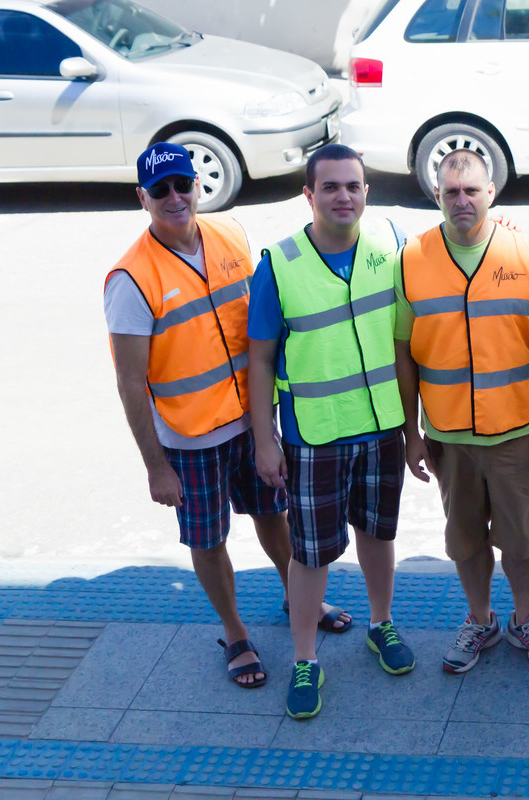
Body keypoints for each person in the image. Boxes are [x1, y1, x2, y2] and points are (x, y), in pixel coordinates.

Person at [104, 143, 349, 692]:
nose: (175, 198)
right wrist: (155, 467)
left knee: (274, 515)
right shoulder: (131, 278)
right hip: (190, 439)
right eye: (160, 190)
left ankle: (297, 599)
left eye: (182, 185)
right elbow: (128, 382)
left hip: (252, 424)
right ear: (142, 198)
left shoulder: (231, 235)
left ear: (197, 186)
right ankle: (236, 632)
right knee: (208, 540)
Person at [248, 144, 415, 721]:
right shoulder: (280, 262)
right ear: (309, 195)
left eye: (354, 186)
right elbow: (261, 359)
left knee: (377, 533)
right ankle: (304, 659)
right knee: (310, 553)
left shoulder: (389, 245)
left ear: (367, 191)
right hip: (313, 436)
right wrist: (264, 439)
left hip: (381, 427)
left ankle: (380, 624)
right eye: (331, 187)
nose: (344, 196)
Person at [395, 149, 529, 673]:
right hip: (449, 435)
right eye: (451, 192)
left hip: (516, 431)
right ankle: (480, 620)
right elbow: (403, 353)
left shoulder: (524, 253)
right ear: (437, 198)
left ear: (491, 194)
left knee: (521, 540)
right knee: (465, 540)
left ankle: (525, 619)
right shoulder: (414, 258)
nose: (462, 201)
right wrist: (412, 435)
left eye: (472, 191)